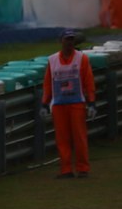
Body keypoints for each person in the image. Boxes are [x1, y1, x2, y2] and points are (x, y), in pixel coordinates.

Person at [41, 29, 96, 178]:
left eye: (72, 39)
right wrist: (44, 103)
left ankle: (83, 168)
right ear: (61, 41)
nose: (70, 42)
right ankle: (65, 170)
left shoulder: (82, 58)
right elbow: (47, 84)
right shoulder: (52, 60)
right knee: (62, 139)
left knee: (79, 137)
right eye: (67, 39)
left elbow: (88, 81)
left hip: (77, 103)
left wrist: (91, 103)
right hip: (59, 105)